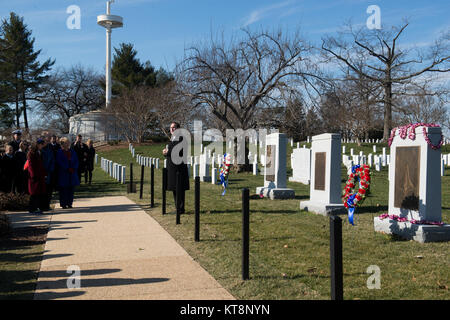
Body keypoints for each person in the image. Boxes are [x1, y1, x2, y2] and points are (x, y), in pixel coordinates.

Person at [162, 122, 189, 215]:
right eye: (171, 128)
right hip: (173, 168)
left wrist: (167, 152)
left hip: (179, 169)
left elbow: (178, 151)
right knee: (175, 189)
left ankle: (180, 209)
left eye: (174, 127)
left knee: (179, 189)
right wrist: (166, 153)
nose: (172, 129)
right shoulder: (173, 138)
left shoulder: (181, 138)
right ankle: (178, 208)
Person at [56, 137, 79, 209]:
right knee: (63, 190)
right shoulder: (59, 152)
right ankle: (63, 204)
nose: (68, 144)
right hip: (64, 173)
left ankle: (69, 203)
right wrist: (67, 168)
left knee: (71, 189)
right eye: (66, 143)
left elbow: (76, 160)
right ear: (63, 144)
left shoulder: (72, 151)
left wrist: (73, 167)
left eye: (68, 143)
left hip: (72, 173)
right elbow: (59, 161)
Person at [26, 139, 47, 214]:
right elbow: (30, 166)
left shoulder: (39, 152)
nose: (42, 146)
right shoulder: (31, 153)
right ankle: (32, 208)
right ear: (37, 144)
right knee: (34, 194)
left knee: (39, 193)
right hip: (34, 177)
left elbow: (41, 165)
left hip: (40, 176)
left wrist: (44, 174)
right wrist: (33, 175)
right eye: (41, 144)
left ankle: (37, 207)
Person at [40, 133, 55, 211]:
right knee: (42, 191)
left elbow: (52, 161)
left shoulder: (50, 150)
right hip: (42, 173)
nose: (46, 141)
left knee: (49, 191)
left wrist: (50, 169)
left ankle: (47, 205)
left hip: (49, 173)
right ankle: (42, 206)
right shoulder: (40, 151)